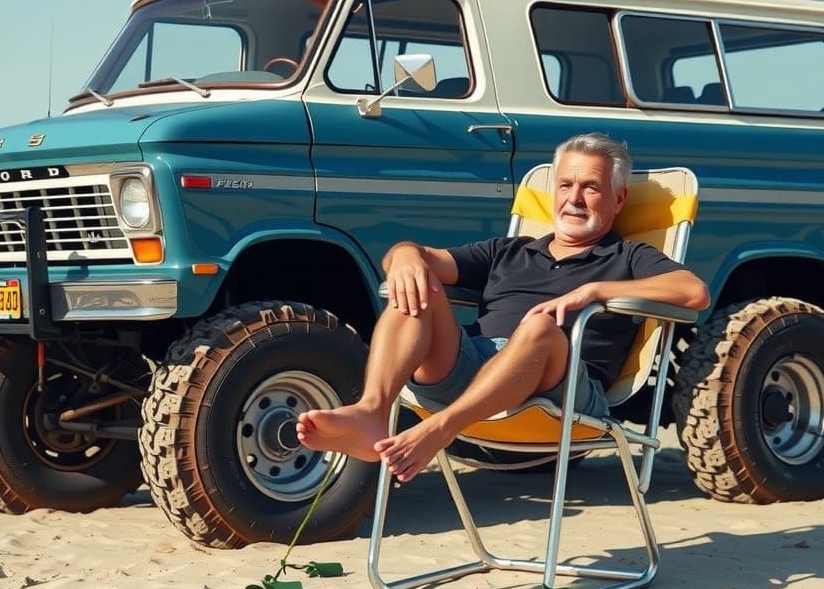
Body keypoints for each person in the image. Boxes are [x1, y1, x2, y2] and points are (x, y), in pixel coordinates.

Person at [296, 132, 710, 483]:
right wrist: (405, 256)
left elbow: (694, 292)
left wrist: (595, 292)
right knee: (417, 287)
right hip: (473, 368)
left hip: (561, 391)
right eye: (565, 185)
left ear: (618, 199)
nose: (574, 199)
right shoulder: (508, 251)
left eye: (591, 187)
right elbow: (420, 257)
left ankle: (441, 428)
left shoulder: (627, 257)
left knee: (541, 327)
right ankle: (373, 410)